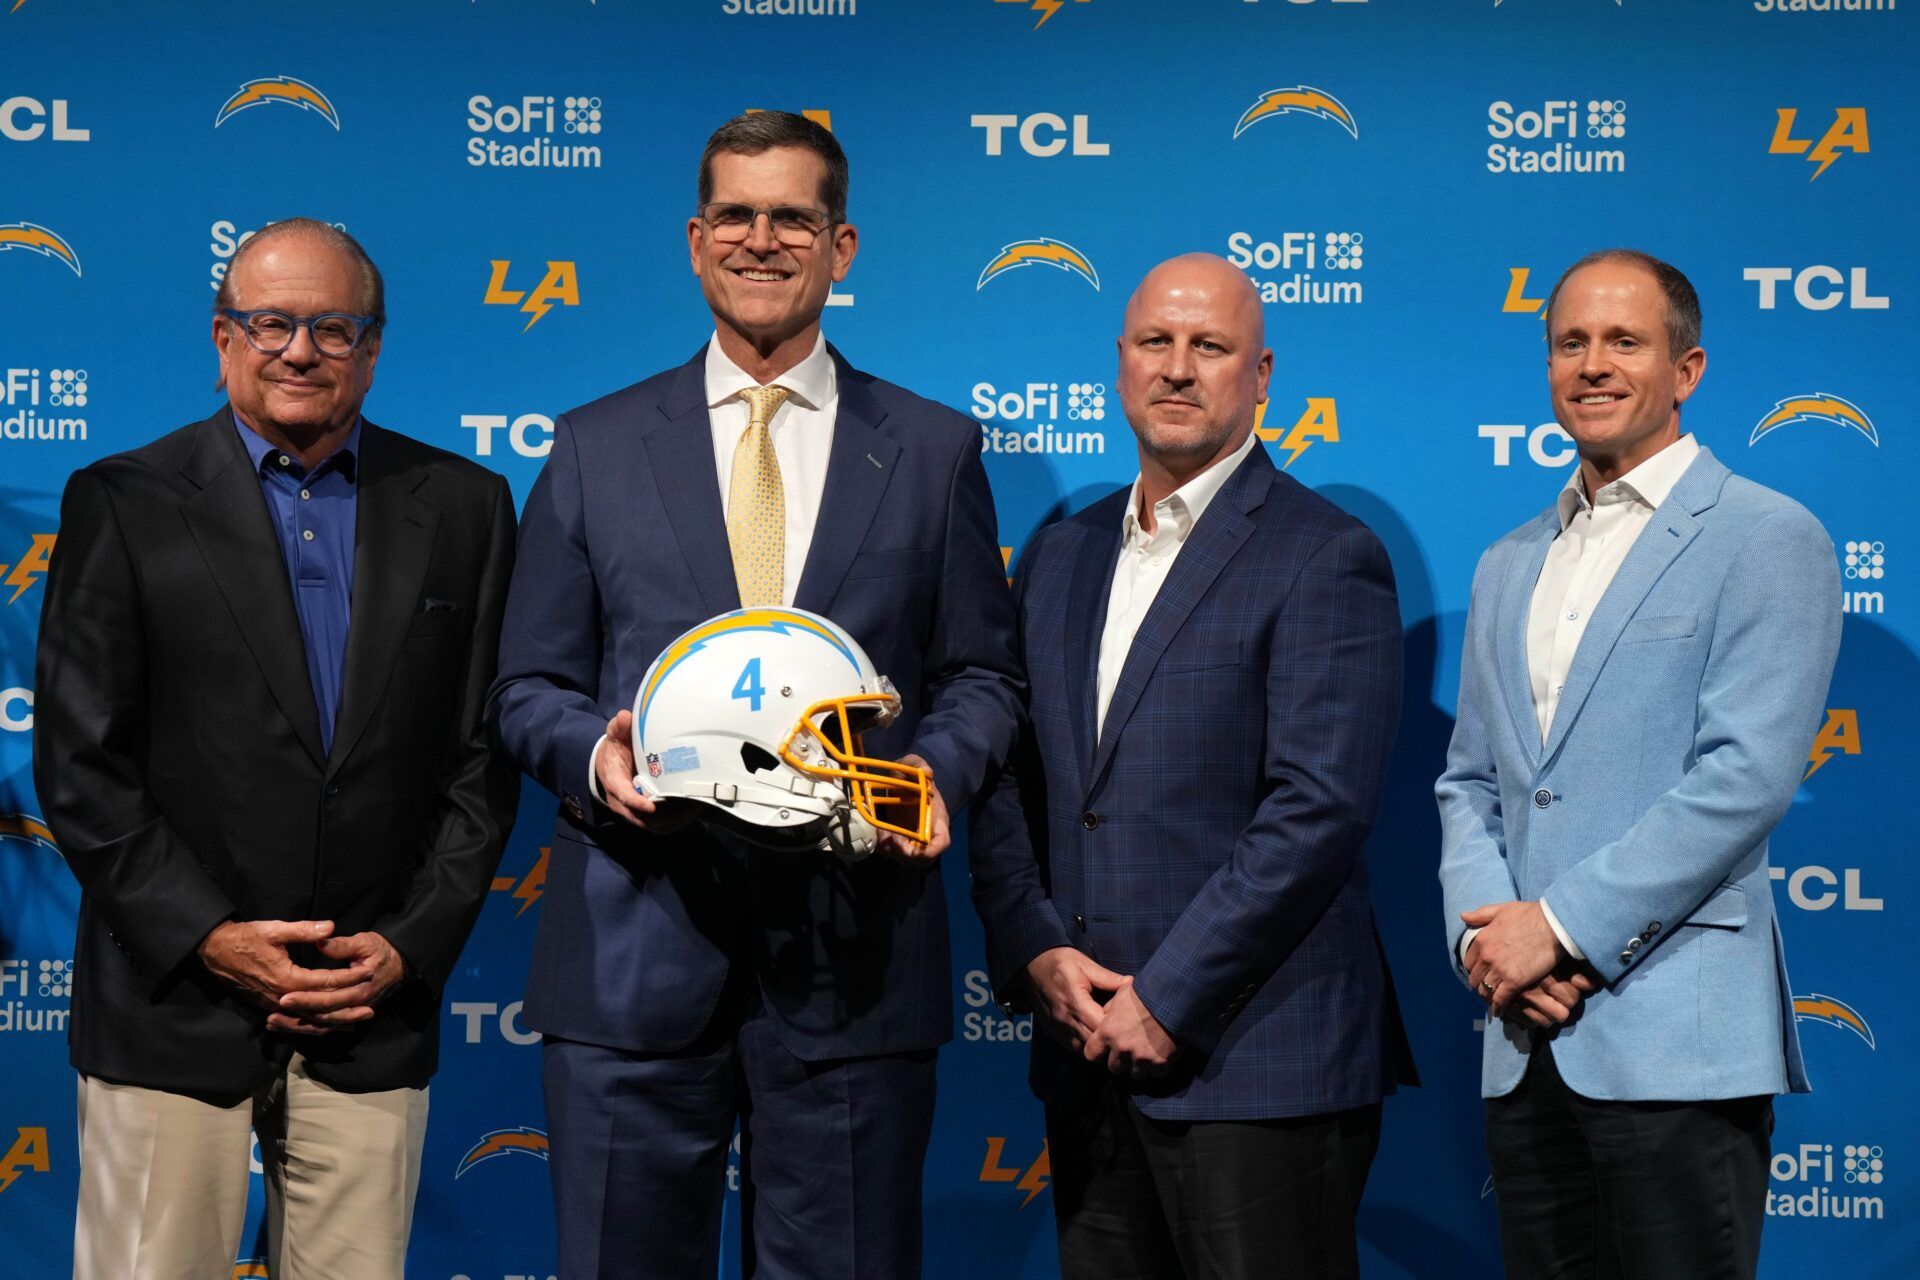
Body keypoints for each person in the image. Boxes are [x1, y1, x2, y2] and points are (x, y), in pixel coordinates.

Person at [486, 111, 1022, 1279]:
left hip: (855, 956)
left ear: (842, 247)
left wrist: (933, 767)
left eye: (794, 217)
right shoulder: (594, 446)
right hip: (633, 957)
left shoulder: (933, 450)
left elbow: (982, 672)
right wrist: (595, 755)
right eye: (737, 213)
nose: (762, 239)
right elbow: (526, 681)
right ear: (695, 239)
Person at [32, 218, 520, 1280]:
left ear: (374, 347)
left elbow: (482, 759)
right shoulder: (123, 501)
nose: (301, 349)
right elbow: (80, 764)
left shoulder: (471, 509)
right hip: (171, 1002)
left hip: (369, 1004)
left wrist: (407, 943)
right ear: (223, 338)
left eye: (334, 327)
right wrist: (208, 933)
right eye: (272, 322)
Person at [969, 253, 1412, 1280]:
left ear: (1260, 375)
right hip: (1085, 1054)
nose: (1178, 368)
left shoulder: (1324, 551)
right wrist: (1035, 946)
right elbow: (1007, 782)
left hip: (1259, 1061)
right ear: (1119, 365)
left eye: (1208, 346)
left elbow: (1317, 809)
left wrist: (1167, 996)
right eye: (1155, 343)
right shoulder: (1060, 553)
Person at [1437, 249, 1841, 1278]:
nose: (1593, 363)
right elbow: (1472, 782)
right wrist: (1492, 945)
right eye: (1570, 341)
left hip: (1676, 1046)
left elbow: (1742, 778)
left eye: (1625, 340)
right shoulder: (1507, 559)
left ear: (1687, 368)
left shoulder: (1766, 535)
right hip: (1524, 1043)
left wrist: (1558, 930)